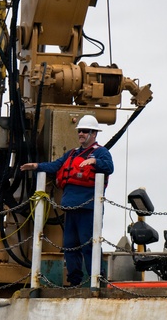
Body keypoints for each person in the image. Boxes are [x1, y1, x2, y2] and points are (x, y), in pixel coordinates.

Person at [20, 114, 114, 287]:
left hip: (88, 208)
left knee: (89, 245)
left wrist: (95, 161)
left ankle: (97, 281)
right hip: (70, 208)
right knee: (70, 247)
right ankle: (74, 282)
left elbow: (109, 167)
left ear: (94, 134)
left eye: (85, 131)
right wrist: (37, 166)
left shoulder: (101, 152)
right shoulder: (72, 154)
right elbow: (56, 166)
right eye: (80, 131)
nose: (81, 134)